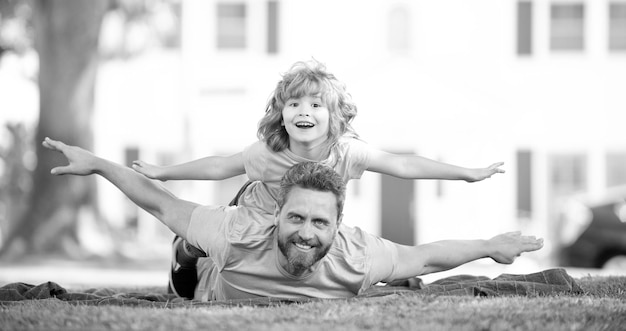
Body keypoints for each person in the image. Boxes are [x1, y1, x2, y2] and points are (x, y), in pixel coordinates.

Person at [130, 60, 505, 293]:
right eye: (293, 104)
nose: (303, 111)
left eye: (314, 104)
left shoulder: (347, 152)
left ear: (333, 116)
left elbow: (404, 165)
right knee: (222, 250)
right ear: (282, 115)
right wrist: (164, 172)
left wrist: (466, 174)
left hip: (302, 221)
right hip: (255, 215)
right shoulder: (268, 153)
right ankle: (188, 250)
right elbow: (218, 167)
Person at [42, 137, 543, 301]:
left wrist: (489, 245)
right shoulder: (239, 231)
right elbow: (159, 204)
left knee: (405, 278)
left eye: (320, 223)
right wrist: (101, 165)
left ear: (339, 225)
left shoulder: (355, 255)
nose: (307, 232)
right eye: (297, 217)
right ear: (277, 214)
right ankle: (184, 253)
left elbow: (426, 256)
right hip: (207, 276)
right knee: (187, 247)